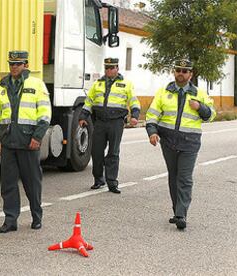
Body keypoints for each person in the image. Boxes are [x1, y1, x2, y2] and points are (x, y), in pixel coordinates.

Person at [145, 59, 216, 230]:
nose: (181, 73)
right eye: (178, 70)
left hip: (190, 142)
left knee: (184, 178)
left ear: (190, 74)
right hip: (168, 141)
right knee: (173, 176)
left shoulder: (199, 93)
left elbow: (211, 115)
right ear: (174, 72)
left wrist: (200, 107)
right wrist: (152, 132)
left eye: (185, 71)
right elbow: (152, 114)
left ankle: (181, 214)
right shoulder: (164, 92)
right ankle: (177, 210)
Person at [0, 50, 51, 233]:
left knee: (32, 183)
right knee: (8, 185)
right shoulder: (2, 86)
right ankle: (10, 220)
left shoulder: (36, 84)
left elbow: (45, 113)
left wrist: (37, 137)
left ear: (26, 65)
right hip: (8, 142)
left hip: (28, 142)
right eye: (11, 64)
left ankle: (36, 216)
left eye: (18, 64)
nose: (14, 67)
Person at [79, 58, 141, 194]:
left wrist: (135, 116)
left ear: (117, 68)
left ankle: (112, 182)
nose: (109, 70)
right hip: (100, 122)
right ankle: (98, 180)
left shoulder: (126, 84)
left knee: (113, 152)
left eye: (111, 68)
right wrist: (83, 116)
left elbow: (133, 101)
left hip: (116, 122)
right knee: (96, 152)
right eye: (107, 68)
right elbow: (89, 101)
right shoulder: (98, 84)